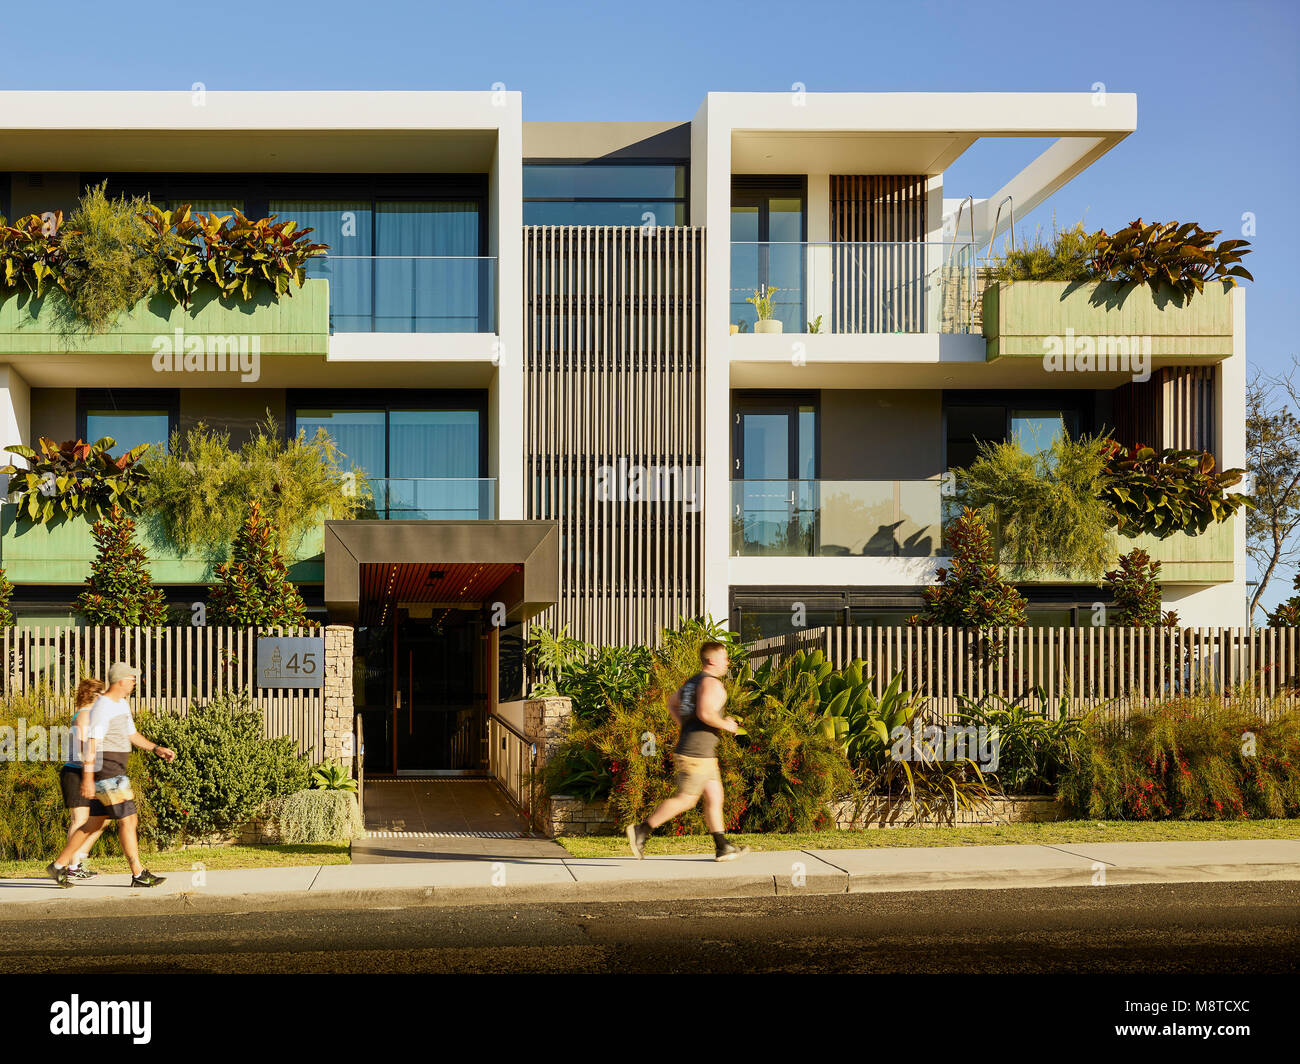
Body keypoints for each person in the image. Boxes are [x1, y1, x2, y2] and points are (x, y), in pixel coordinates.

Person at [47, 663, 176, 889]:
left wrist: (156, 748)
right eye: (132, 679)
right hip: (107, 770)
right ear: (121, 681)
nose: (134, 683)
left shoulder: (122, 705)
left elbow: (132, 734)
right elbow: (91, 745)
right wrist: (87, 778)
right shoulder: (101, 708)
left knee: (93, 823)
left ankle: (58, 866)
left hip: (116, 769)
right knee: (128, 819)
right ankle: (138, 873)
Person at [626, 640, 750, 862]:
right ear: (712, 660)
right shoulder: (711, 683)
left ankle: (722, 846)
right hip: (696, 753)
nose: (727, 662)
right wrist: (727, 725)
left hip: (701, 751)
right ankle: (641, 831)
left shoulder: (692, 682)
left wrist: (685, 725)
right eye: (725, 657)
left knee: (714, 796)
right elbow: (705, 713)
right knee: (687, 799)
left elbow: (672, 703)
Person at [58, 677, 108, 880]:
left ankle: (77, 859)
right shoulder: (85, 715)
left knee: (102, 819)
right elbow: (84, 748)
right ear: (95, 695)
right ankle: (73, 866)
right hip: (76, 773)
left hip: (88, 771)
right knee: (80, 820)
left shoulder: (91, 716)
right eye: (102, 693)